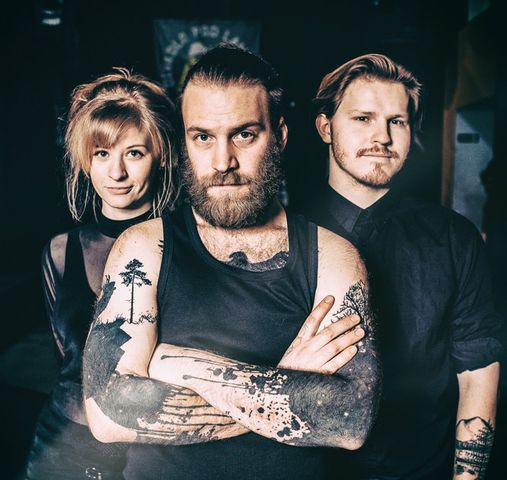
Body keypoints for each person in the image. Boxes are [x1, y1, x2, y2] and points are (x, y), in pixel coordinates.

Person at [82, 44, 381, 480]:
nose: (223, 162)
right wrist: (285, 382)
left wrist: (182, 367)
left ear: (279, 136)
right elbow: (109, 412)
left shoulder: (333, 257)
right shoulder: (144, 248)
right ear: (184, 142)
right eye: (203, 137)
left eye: (244, 134)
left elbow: (350, 420)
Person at [303, 53, 501, 479]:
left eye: (397, 121)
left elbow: (477, 367)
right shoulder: (284, 233)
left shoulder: (454, 237)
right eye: (363, 118)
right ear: (325, 127)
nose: (383, 137)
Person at [25, 68, 177, 480]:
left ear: (161, 156)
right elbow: (68, 361)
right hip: (61, 449)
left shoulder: (183, 247)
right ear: (85, 160)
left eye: (134, 153)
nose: (116, 173)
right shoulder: (61, 252)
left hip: (152, 453)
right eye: (102, 154)